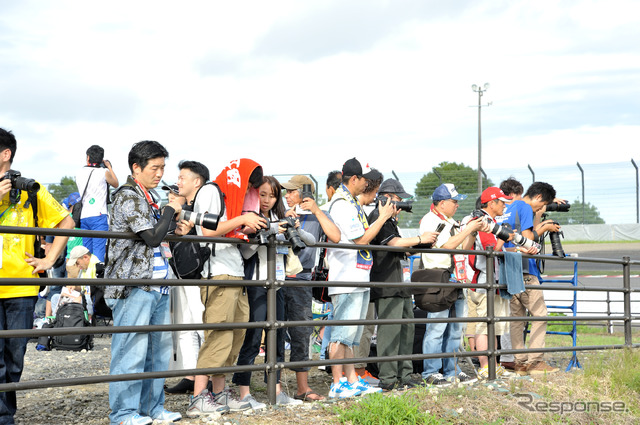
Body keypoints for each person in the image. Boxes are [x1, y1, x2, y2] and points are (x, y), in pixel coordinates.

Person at [104, 140, 183, 425]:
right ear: (136, 168)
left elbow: (156, 236)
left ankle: (153, 408)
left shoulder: (146, 196)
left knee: (156, 354)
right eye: (155, 167)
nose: (160, 173)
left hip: (158, 283)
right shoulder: (128, 195)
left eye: (163, 167)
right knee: (130, 351)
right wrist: (171, 210)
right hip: (133, 284)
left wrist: (173, 223)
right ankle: (123, 414)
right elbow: (150, 237)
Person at [0, 127, 74, 425]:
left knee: (14, 357)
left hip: (21, 285)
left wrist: (49, 259)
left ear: (5, 155)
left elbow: (66, 220)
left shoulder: (30, 189)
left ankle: (7, 412)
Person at [187, 158, 267, 417]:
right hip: (217, 273)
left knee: (234, 337)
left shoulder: (232, 198)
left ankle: (219, 393)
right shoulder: (212, 191)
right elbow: (207, 231)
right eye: (248, 185)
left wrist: (247, 229)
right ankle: (198, 397)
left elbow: (228, 233)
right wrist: (241, 219)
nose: (248, 191)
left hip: (235, 271)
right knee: (218, 335)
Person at [233, 176, 315, 407]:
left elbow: (308, 241)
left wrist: (293, 228)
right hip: (256, 285)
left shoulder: (281, 219)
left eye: (273, 195)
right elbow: (246, 251)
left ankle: (276, 391)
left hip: (278, 284)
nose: (268, 200)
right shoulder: (249, 219)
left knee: (277, 338)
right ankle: (243, 394)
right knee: (252, 338)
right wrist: (268, 231)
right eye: (263, 195)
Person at [325, 158, 394, 399]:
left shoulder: (351, 201)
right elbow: (361, 240)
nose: (367, 185)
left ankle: (351, 380)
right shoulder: (342, 204)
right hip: (346, 277)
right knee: (341, 334)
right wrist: (383, 217)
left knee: (351, 337)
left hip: (358, 275)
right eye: (365, 179)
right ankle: (337, 383)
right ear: (354, 179)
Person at [368, 179, 438, 391]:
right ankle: (388, 378)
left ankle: (404, 375)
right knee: (390, 332)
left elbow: (402, 250)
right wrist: (419, 237)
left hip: (399, 282)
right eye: (397, 200)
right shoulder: (378, 216)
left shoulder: (389, 219)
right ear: (385, 197)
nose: (400, 205)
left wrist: (423, 245)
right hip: (386, 282)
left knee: (406, 329)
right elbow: (393, 243)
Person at [419, 183, 487, 386]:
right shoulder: (430, 220)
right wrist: (468, 230)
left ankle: (452, 370)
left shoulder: (451, 221)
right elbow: (445, 246)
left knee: (456, 330)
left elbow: (463, 249)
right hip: (439, 280)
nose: (457, 205)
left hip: (457, 279)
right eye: (454, 201)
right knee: (436, 329)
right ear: (441, 203)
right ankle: (431, 372)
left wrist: (472, 232)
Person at [281, 174, 340, 401]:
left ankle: (302, 388)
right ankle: (275, 386)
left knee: (301, 332)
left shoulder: (319, 215)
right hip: (276, 275)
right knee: (272, 330)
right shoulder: (282, 212)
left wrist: (316, 211)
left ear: (305, 193)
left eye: (291, 191)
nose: (287, 196)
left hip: (301, 278)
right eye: (286, 192)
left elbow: (335, 236)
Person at [499, 181, 562, 376]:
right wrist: (543, 228)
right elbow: (527, 238)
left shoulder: (508, 207)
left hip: (508, 268)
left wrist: (538, 218)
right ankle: (535, 362)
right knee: (540, 314)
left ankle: (520, 363)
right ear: (537, 198)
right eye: (541, 205)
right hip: (526, 270)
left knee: (517, 319)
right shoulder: (525, 206)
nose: (540, 209)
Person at [164, 161, 209, 395]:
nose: (175, 190)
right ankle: (190, 375)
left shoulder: (203, 203)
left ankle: (204, 377)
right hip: (177, 272)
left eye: (181, 179)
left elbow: (210, 231)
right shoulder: (175, 210)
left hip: (197, 274)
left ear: (197, 182)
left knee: (200, 325)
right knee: (183, 327)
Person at [462, 187, 515, 379]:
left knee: (490, 325)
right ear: (491, 203)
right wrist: (505, 236)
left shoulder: (488, 220)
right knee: (485, 326)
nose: (504, 206)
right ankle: (486, 367)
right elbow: (489, 248)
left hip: (483, 280)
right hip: (484, 281)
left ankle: (491, 366)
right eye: (502, 202)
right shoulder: (484, 221)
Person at [75, 145, 119, 262]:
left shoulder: (79, 173)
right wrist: (109, 167)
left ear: (88, 158)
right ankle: (97, 278)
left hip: (84, 216)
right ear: (101, 159)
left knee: (86, 252)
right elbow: (116, 183)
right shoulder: (103, 172)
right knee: (98, 252)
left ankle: (87, 278)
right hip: (99, 215)